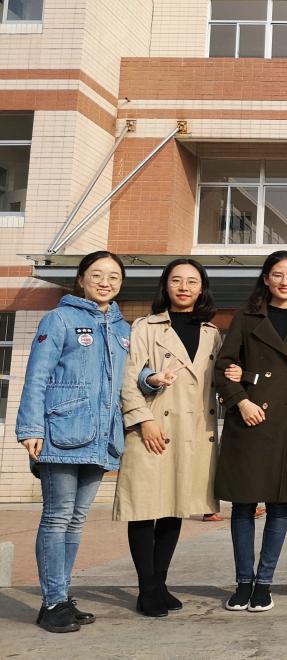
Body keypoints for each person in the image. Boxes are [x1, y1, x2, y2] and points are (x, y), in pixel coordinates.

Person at [15, 251, 131, 633]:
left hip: (100, 437)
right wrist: (31, 428)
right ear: (81, 279)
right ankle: (52, 602)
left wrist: (151, 379)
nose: (105, 282)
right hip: (61, 434)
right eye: (97, 275)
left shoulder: (122, 328)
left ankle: (61, 597)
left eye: (113, 276)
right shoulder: (59, 319)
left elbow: (128, 375)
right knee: (58, 516)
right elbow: (37, 375)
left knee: (77, 520)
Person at [214, 251, 287, 613]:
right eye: (277, 274)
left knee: (279, 504)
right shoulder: (246, 318)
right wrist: (241, 401)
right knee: (244, 504)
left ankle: (264, 583)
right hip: (249, 420)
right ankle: (243, 582)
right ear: (265, 279)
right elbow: (224, 366)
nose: (284, 281)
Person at [114, 259, 222, 617]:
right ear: (166, 285)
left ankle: (160, 583)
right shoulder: (145, 327)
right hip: (153, 428)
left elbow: (216, 380)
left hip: (193, 432)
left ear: (202, 288)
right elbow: (129, 378)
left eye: (192, 281)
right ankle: (147, 589)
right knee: (145, 508)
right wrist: (143, 420)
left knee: (175, 506)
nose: (184, 287)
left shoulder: (212, 333)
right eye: (177, 280)